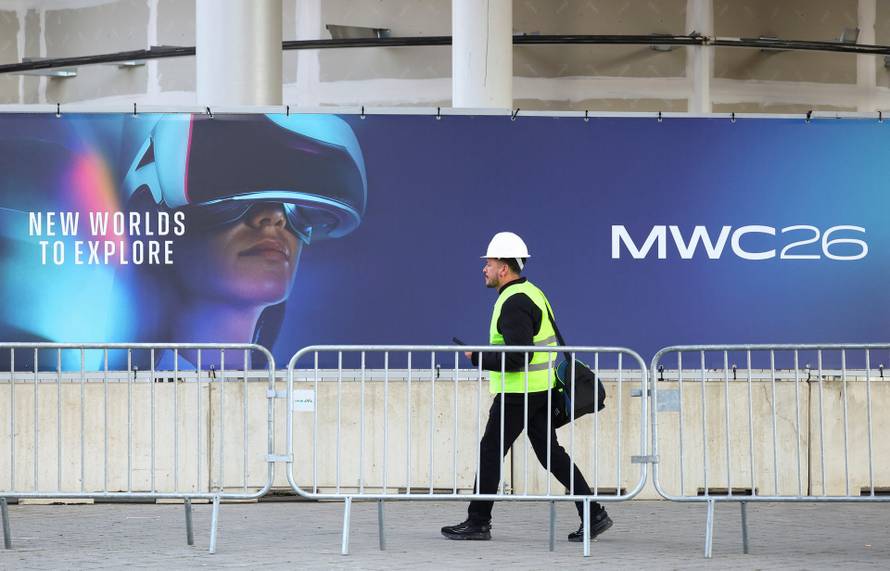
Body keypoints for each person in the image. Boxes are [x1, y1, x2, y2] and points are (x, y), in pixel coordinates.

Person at [118, 113, 367, 369]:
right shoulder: (121, 396)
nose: (275, 217)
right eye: (232, 194)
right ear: (149, 217)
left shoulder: (289, 396)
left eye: (296, 205)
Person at [441, 231, 612, 542]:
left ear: (504, 268)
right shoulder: (532, 292)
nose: (485, 268)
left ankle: (478, 521)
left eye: (489, 263)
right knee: (550, 454)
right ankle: (594, 512)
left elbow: (518, 356)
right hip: (539, 389)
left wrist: (477, 357)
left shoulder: (513, 301)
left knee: (491, 450)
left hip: (519, 393)